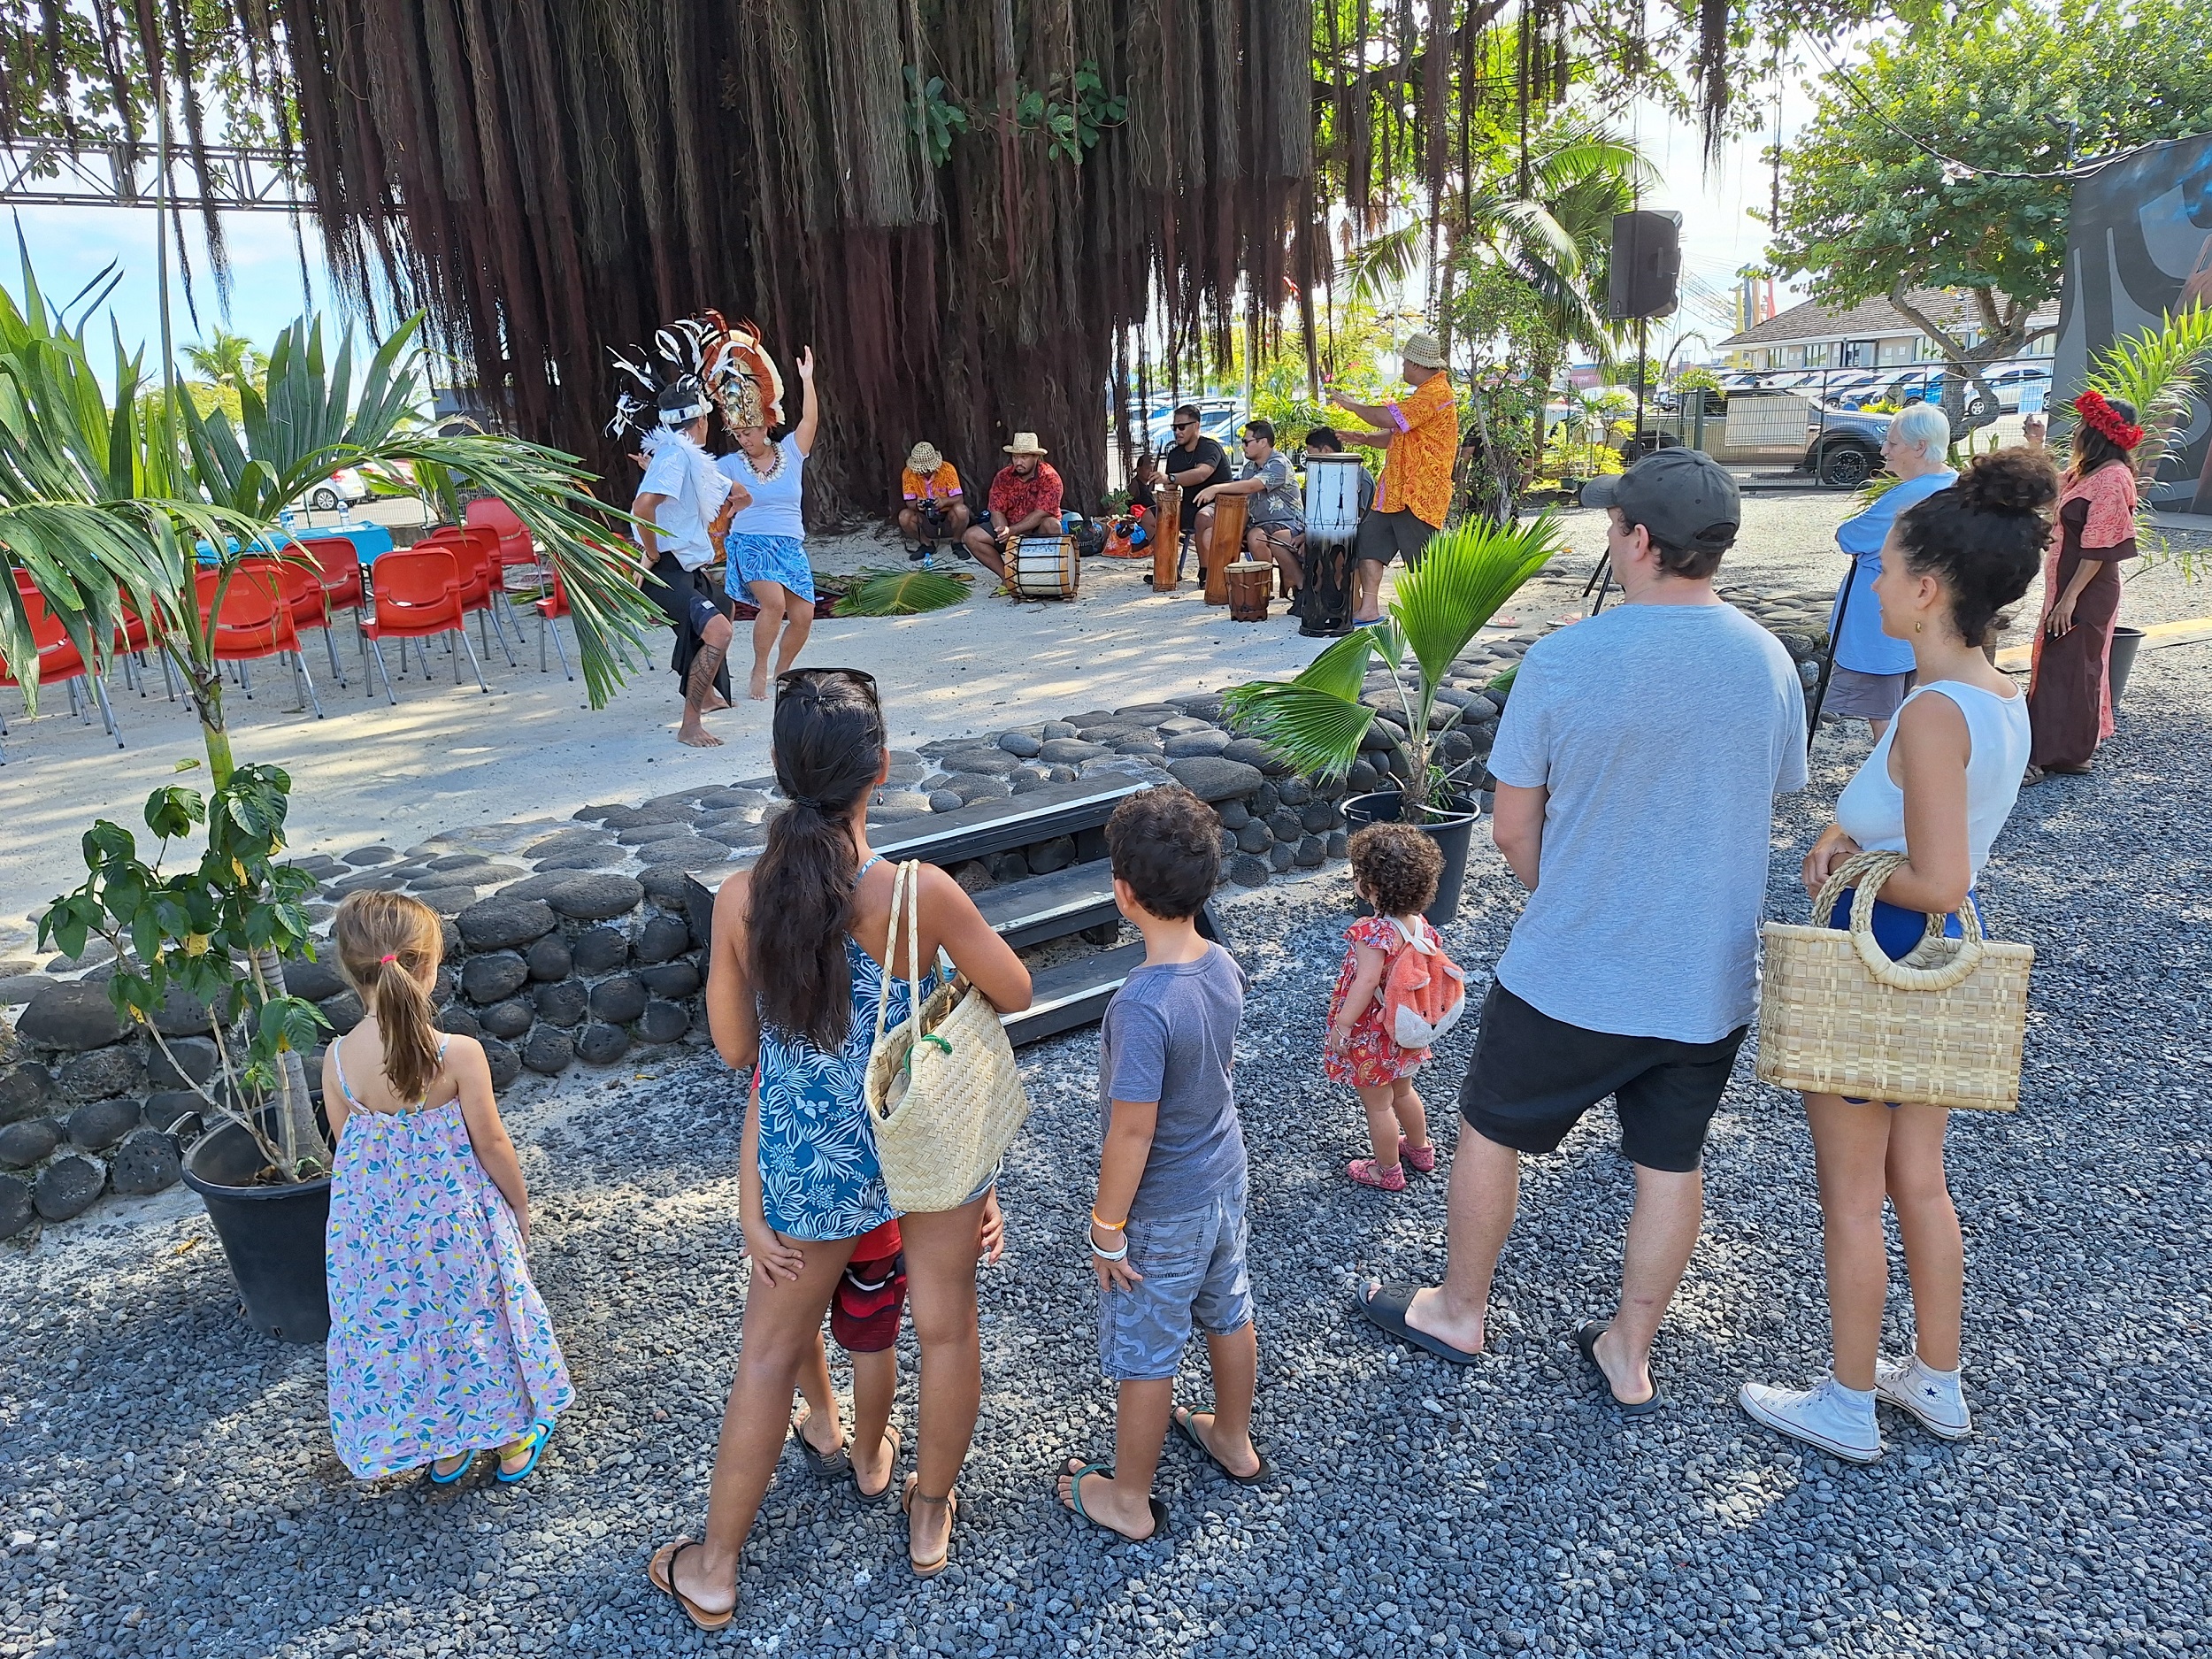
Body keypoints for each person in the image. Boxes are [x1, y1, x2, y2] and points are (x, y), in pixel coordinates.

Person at [1356, 448, 1807, 1412]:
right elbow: (1770, 793)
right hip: (1706, 975)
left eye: (1613, 527)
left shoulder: (1564, 660)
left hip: (1575, 965)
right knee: (1668, 1161)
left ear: (1638, 539)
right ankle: (1629, 1350)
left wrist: (1564, 893)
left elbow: (1513, 826)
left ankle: (1459, 1309)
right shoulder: (1767, 659)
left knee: (1489, 1127)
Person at [652, 669, 1031, 1631]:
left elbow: (738, 1050)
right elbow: (1015, 990)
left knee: (768, 1358)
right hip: (921, 1139)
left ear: (781, 773)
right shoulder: (918, 896)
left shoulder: (741, 899)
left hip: (810, 1155)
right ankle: (930, 1510)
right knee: (946, 1329)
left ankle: (715, 1566)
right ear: (881, 772)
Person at [1740, 449, 2055, 1463]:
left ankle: (1843, 1398)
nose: (1869, 584)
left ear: (1924, 592)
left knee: (1850, 1195)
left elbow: (1940, 876)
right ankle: (1935, 1377)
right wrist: (1860, 842)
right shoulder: (1995, 698)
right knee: (1918, 1179)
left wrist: (1844, 866)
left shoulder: (1928, 712)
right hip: (1924, 966)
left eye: (1882, 570)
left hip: (1877, 953)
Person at [1060, 787, 1264, 1543]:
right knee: (1228, 1305)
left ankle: (1129, 1496)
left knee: (1148, 1350)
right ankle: (1234, 1439)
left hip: (1164, 1205)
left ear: (1123, 893)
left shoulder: (1141, 1004)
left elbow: (1132, 1131)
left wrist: (1107, 1225)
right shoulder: (1220, 965)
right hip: (1223, 1176)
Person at [322, 891, 572, 1486]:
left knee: (413, 1330)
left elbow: (349, 1156)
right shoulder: (457, 1053)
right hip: (459, 1225)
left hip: (381, 1238)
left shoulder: (335, 1062)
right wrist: (517, 1200)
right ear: (428, 967)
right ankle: (511, 1440)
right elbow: (492, 1143)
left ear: (348, 970)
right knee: (478, 1321)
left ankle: (445, 1447)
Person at [2025, 391, 2142, 780]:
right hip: (2068, 583)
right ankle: (2063, 751)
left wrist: (2068, 600)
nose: (2075, 431)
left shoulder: (2111, 478)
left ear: (2097, 433)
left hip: (2086, 587)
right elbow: (2049, 494)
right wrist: (2034, 445)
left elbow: (2099, 548)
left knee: (2073, 664)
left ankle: (2050, 753)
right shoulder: (2085, 473)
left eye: (2082, 425)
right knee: (2062, 662)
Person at [1823, 404, 1956, 740]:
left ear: (1920, 447)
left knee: (1883, 712)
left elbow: (1850, 536)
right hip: (1922, 616)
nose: (1884, 451)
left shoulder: (1913, 493)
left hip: (1886, 620)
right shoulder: (1954, 482)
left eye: (1893, 444)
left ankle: (1891, 782)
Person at [1326, 823, 1443, 1193]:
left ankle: (1387, 1170)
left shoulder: (1373, 933)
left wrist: (1343, 1025)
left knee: (1378, 1106)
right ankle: (1421, 1149)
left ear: (1372, 887)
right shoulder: (1419, 926)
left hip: (1373, 1034)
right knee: (1404, 1091)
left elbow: (1364, 983)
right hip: (1404, 1027)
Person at [634, 377, 747, 747]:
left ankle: (708, 693)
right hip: (663, 571)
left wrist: (730, 509)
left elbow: (737, 492)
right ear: (700, 422)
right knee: (719, 631)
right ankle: (690, 724)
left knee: (724, 606)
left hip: (686, 569)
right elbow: (642, 507)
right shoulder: (675, 455)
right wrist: (651, 552)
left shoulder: (681, 457)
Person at [1327, 332, 1459, 623]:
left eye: (1404, 363)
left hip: (1418, 491)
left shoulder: (1436, 394)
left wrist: (1353, 406)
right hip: (1394, 492)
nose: (1402, 368)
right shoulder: (1424, 395)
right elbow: (1395, 436)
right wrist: (1362, 438)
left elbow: (1389, 419)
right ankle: (1370, 609)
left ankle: (1439, 617)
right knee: (1370, 545)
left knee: (1425, 560)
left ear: (1416, 364)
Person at [718, 344, 821, 700]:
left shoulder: (792, 452)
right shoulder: (729, 465)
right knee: (774, 604)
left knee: (804, 614)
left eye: (749, 431)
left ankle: (783, 670)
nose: (744, 439)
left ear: (766, 424)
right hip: (750, 542)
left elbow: (810, 421)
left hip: (789, 544)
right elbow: (696, 478)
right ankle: (759, 666)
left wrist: (807, 380)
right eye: (739, 434)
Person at [1195, 419, 1307, 610]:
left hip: (1290, 524)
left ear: (1263, 442)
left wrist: (1215, 488)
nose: (1243, 446)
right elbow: (1246, 499)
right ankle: (1255, 589)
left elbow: (1252, 486)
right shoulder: (1249, 467)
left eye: (1246, 441)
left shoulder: (1279, 463)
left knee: (1262, 537)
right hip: (1260, 525)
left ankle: (1292, 587)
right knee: (1232, 536)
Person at [962, 433, 1064, 585]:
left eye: (1024, 457)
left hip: (1037, 528)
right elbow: (996, 508)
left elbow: (1041, 513)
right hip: (1009, 526)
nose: (1019, 462)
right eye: (1015, 457)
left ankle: (1049, 574)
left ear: (1036, 457)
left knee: (1053, 525)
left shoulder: (1050, 477)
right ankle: (1008, 578)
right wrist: (1002, 531)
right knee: (972, 536)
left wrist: (1013, 531)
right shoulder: (1003, 476)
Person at [1164, 406, 1232, 580]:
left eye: (1182, 427)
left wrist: (1170, 478)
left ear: (1196, 425)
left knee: (1203, 517)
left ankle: (1206, 572)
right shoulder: (1174, 455)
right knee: (1150, 516)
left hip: (1221, 505)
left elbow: (1202, 473)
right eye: (1174, 427)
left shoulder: (1209, 448)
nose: (1177, 432)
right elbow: (1171, 489)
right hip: (1190, 505)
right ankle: (1167, 569)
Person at [897, 442, 971, 556]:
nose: (925, 472)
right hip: (924, 518)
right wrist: (917, 504)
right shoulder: (908, 473)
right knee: (904, 516)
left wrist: (944, 502)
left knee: (962, 511)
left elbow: (959, 498)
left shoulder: (947, 469)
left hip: (947, 517)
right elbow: (909, 502)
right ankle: (926, 544)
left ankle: (957, 542)